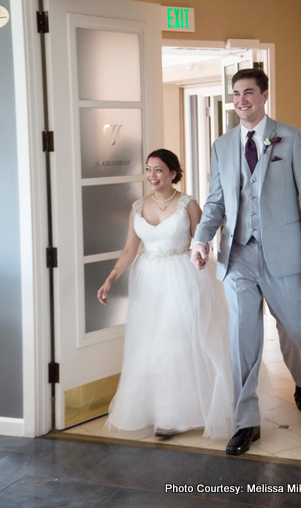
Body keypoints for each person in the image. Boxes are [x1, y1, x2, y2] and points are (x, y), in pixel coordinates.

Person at [191, 68, 301, 456]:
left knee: (295, 329)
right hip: (239, 254)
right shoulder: (222, 145)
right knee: (242, 338)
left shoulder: (291, 138)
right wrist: (201, 239)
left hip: (284, 252)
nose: (241, 100)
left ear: (265, 96)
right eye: (236, 94)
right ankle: (245, 422)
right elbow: (216, 201)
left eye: (249, 92)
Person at [97, 149, 233, 440]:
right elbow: (129, 250)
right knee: (152, 344)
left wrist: (201, 255)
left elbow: (202, 241)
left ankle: (178, 416)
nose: (152, 176)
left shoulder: (188, 204)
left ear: (173, 172)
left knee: (176, 341)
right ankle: (158, 412)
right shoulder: (137, 207)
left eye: (159, 170)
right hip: (149, 282)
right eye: (148, 169)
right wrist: (110, 279)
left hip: (184, 277)